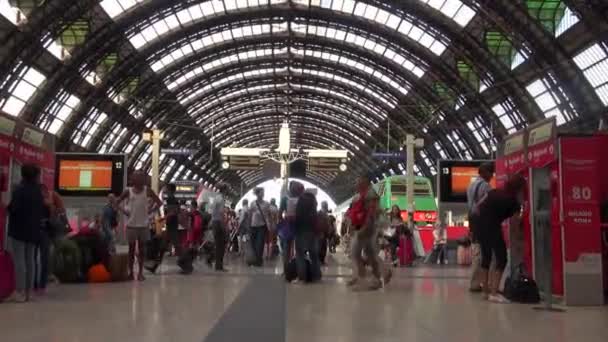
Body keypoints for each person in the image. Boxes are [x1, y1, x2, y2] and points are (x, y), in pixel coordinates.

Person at [475, 174, 526, 304]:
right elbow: (515, 225)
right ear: (519, 188)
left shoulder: (494, 192)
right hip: (492, 226)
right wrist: (520, 238)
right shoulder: (514, 202)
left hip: (479, 224)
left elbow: (478, 206)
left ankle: (486, 291)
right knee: (502, 258)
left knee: (486, 257)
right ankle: (494, 292)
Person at [6, 164, 46, 302]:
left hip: (19, 230)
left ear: (23, 175)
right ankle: (29, 292)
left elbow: (13, 208)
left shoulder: (19, 190)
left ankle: (20, 292)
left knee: (20, 261)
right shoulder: (38, 191)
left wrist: (8, 208)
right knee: (31, 261)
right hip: (34, 231)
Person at [347, 174, 391, 290]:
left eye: (358, 181)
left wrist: (365, 228)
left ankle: (366, 279)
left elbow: (372, 213)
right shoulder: (362, 195)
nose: (356, 184)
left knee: (357, 254)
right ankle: (381, 274)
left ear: (365, 182)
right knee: (368, 254)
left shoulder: (370, 194)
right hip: (364, 228)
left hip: (367, 228)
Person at [117, 170, 162, 281]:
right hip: (131, 225)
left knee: (142, 251)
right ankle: (131, 273)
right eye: (137, 177)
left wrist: (150, 211)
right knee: (131, 250)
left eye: (142, 177)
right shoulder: (128, 191)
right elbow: (117, 202)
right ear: (134, 179)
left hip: (143, 225)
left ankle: (140, 273)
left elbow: (159, 202)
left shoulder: (148, 191)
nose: (140, 180)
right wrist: (124, 211)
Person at [466, 163, 494, 292]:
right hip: (482, 221)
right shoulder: (486, 186)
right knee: (484, 252)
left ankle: (475, 282)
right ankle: (481, 283)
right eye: (491, 173)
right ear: (485, 173)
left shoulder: (471, 185)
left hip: (472, 220)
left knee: (476, 251)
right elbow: (489, 205)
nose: (492, 176)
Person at [294, 190, 321, 282]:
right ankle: (317, 277)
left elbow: (297, 218)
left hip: (301, 231)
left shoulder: (300, 203)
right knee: (314, 255)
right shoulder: (313, 208)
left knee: (300, 255)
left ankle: (302, 278)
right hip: (313, 232)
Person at [279, 181, 303, 275]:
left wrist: (282, 223)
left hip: (288, 225)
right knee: (297, 248)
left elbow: (280, 213)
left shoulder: (285, 199)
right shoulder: (302, 199)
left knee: (287, 248)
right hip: (298, 226)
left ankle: (286, 270)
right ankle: (296, 269)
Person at [248, 187, 270, 267]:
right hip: (253, 225)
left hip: (262, 226)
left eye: (263, 192)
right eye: (261, 192)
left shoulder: (267, 204)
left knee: (260, 244)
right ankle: (254, 259)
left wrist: (269, 225)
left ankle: (258, 260)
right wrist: (249, 225)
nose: (263, 194)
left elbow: (268, 215)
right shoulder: (253, 203)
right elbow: (250, 215)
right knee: (253, 243)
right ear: (257, 194)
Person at [211, 183, 229, 272]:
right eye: (227, 189)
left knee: (218, 245)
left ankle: (218, 265)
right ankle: (219, 265)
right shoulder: (221, 199)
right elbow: (221, 213)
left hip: (215, 222)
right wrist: (224, 226)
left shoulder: (216, 197)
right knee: (221, 245)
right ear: (224, 190)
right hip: (219, 223)